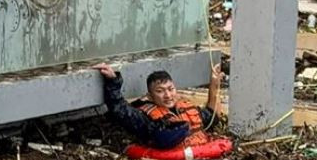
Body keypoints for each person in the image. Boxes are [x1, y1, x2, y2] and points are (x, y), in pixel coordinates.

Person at [93, 62, 223, 150]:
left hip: (202, 153)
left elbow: (213, 116)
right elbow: (119, 108)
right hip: (172, 159)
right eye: (160, 91)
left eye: (171, 89)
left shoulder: (187, 108)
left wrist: (214, 85)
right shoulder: (145, 118)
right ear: (149, 96)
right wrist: (113, 80)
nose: (168, 95)